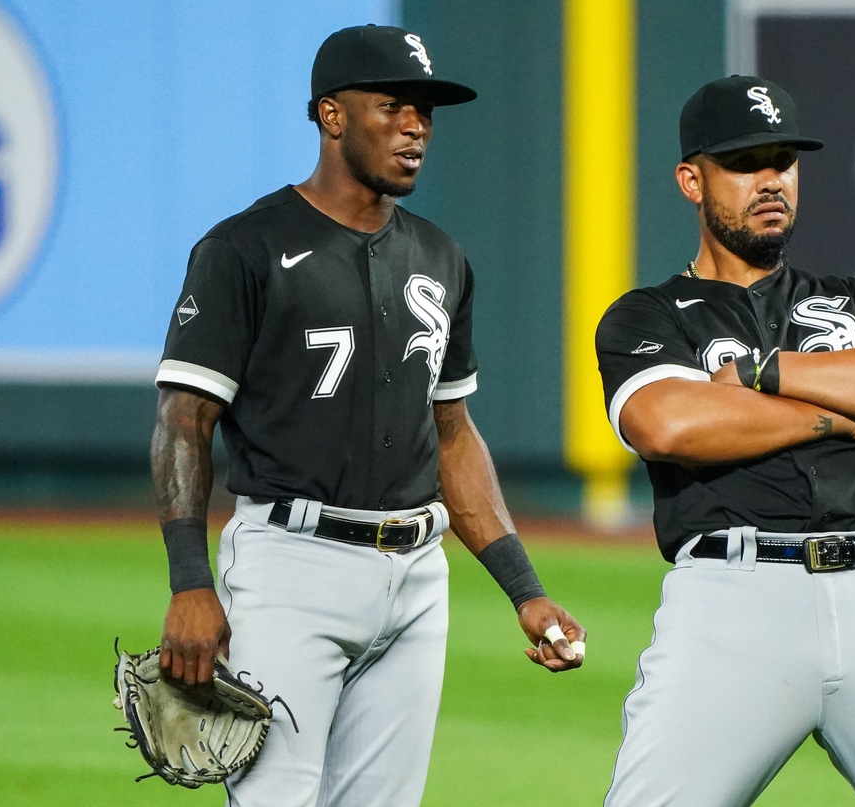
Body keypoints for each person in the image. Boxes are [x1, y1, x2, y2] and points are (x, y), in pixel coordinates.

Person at [150, 25, 585, 807]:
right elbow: (185, 419)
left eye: (424, 110)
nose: (416, 126)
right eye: (392, 105)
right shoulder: (244, 249)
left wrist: (524, 587)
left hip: (418, 575)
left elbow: (451, 431)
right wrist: (190, 581)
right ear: (331, 116)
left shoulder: (442, 257)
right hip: (292, 565)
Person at [594, 75, 855, 806]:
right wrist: (853, 413)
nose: (770, 180)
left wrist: (763, 373)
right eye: (746, 162)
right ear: (692, 180)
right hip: (731, 604)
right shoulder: (649, 317)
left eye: (783, 160)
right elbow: (672, 424)